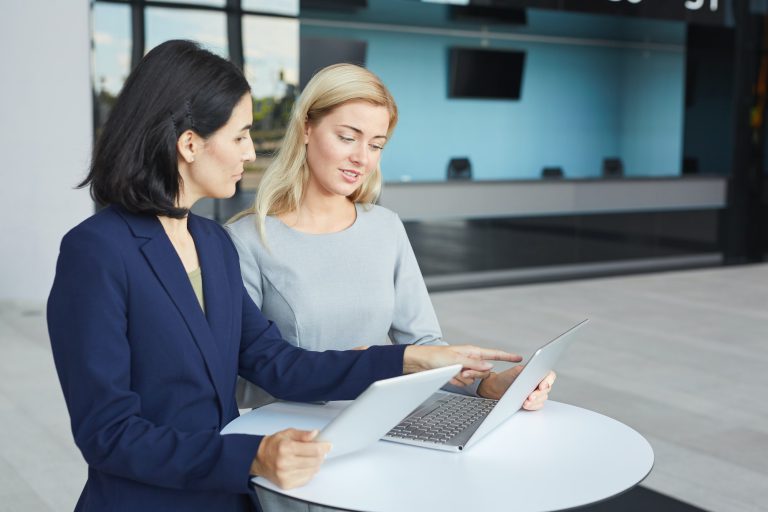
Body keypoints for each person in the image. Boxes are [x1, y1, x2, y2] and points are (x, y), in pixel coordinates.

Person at [46, 41, 521, 512]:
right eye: (239, 137)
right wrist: (251, 455)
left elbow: (277, 363)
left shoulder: (211, 243)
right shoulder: (97, 250)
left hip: (231, 495)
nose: (251, 153)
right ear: (190, 144)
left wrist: (406, 360)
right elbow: (108, 433)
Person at [225, 63, 557, 511]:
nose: (362, 157)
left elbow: (423, 346)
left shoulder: (385, 228)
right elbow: (239, 377)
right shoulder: (248, 239)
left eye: (376, 144)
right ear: (306, 128)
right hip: (297, 453)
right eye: (348, 137)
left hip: (382, 444)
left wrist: (490, 387)